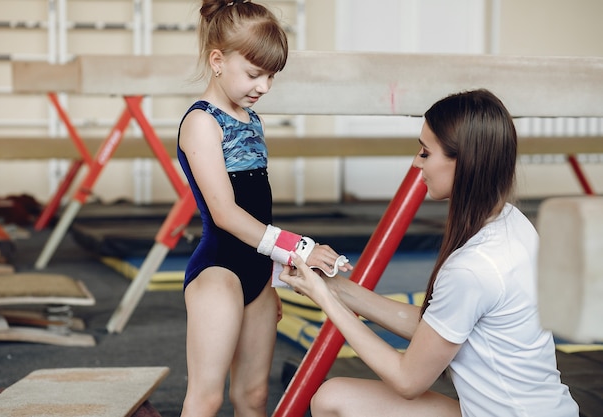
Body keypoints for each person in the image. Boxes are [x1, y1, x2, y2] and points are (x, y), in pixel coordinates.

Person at [280, 89, 579, 417]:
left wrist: (324, 300)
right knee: (333, 397)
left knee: (335, 399)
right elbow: (436, 327)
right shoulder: (511, 220)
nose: (416, 162)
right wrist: (337, 287)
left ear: (463, 162)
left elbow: (407, 380)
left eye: (425, 153)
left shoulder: (473, 267)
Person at [176, 1, 352, 416]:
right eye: (255, 74)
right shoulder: (202, 122)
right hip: (218, 272)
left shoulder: (252, 119)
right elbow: (225, 214)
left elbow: (260, 210)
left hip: (257, 272)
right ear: (217, 61)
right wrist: (297, 248)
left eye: (271, 75)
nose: (264, 86)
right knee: (208, 396)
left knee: (253, 397)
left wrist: (271, 273)